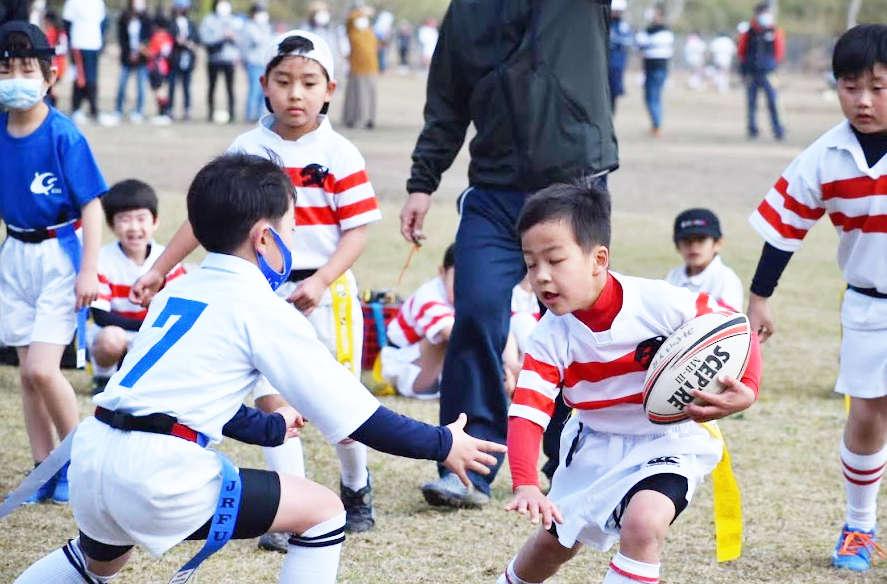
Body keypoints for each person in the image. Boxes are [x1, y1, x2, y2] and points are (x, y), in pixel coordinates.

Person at [11, 152, 506, 584]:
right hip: (158, 474)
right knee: (323, 513)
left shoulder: (181, 289)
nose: (293, 242)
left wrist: (271, 428)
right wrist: (444, 443)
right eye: (291, 230)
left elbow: (185, 396)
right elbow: (359, 418)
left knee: (96, 561)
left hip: (97, 459)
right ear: (265, 237)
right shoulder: (261, 307)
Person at [130, 29, 383, 541]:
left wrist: (324, 280)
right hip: (258, 290)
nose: (296, 93)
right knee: (273, 401)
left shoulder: (339, 152)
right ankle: (291, 506)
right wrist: (161, 268)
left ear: (330, 89)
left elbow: (358, 230)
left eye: (309, 83)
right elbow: (209, 216)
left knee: (340, 401)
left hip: (324, 292)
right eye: (284, 81)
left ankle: (356, 488)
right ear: (263, 83)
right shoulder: (247, 147)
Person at [401, 0, 617, 508]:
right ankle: (467, 467)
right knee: (474, 309)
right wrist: (421, 183)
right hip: (494, 190)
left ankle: (569, 459)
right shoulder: (467, 11)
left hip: (573, 182)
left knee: (575, 322)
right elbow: (447, 102)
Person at [495, 179, 761, 584]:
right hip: (593, 445)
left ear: (598, 259)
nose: (542, 277)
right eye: (531, 264)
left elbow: (734, 326)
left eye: (555, 260)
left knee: (644, 525)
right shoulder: (550, 335)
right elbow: (528, 412)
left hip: (667, 440)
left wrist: (749, 389)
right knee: (555, 545)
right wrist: (527, 483)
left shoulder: (657, 302)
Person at [746, 24, 887, 572]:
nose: (863, 100)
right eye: (850, 86)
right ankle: (859, 526)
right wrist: (760, 297)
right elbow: (783, 229)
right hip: (869, 305)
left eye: (878, 86)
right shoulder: (826, 155)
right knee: (868, 416)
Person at [0, 21, 105, 504]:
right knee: (25, 373)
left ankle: (82, 461)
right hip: (14, 254)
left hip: (59, 256)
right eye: (6, 69)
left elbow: (92, 206)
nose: (16, 78)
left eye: (27, 68)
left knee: (44, 369)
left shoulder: (64, 135)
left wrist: (89, 268)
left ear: (50, 75)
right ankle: (43, 470)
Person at [88, 179, 186, 392]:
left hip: (152, 334)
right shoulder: (102, 260)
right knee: (111, 339)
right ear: (112, 225)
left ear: (155, 222)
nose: (134, 228)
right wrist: (147, 329)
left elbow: (180, 308)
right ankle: (103, 379)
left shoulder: (168, 259)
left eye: (141, 219)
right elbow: (101, 316)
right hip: (118, 332)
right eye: (124, 220)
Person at [664, 208, 744, 312]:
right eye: (687, 241)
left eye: (701, 240)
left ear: (718, 243)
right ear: (677, 247)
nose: (693, 246)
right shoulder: (673, 277)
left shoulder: (726, 278)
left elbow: (729, 321)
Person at [737, 2, 785, 140]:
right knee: (752, 103)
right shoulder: (749, 32)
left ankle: (778, 130)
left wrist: (774, 66)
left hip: (768, 72)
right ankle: (752, 129)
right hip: (752, 72)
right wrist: (743, 70)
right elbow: (741, 51)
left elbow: (779, 51)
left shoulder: (774, 31)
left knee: (773, 102)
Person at [108, 0, 152, 125]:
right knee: (122, 84)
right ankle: (118, 109)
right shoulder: (124, 18)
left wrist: (141, 50)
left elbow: (148, 37)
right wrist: (129, 53)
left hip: (142, 58)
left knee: (140, 86)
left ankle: (139, 110)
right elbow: (122, 38)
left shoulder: (146, 19)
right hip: (127, 57)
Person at [62, 0, 105, 124]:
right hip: (79, 43)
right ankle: (77, 108)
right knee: (80, 78)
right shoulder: (73, 2)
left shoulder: (98, 2)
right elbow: (67, 23)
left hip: (94, 43)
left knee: (92, 79)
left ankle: (93, 108)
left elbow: (102, 22)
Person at [635, 4, 673, 136]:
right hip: (649, 69)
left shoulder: (663, 32)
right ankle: (655, 124)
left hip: (659, 69)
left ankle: (657, 125)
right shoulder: (649, 31)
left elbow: (641, 45)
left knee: (653, 98)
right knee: (650, 98)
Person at [199, 0, 239, 124]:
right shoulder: (208, 20)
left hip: (229, 60)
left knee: (230, 88)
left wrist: (233, 38)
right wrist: (222, 37)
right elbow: (205, 39)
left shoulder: (234, 20)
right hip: (214, 59)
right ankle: (210, 113)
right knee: (212, 87)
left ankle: (232, 113)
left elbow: (241, 40)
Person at [342, 5, 377, 130]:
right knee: (356, 95)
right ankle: (353, 118)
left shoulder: (369, 31)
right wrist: (361, 12)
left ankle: (369, 119)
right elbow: (349, 20)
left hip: (371, 68)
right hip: (357, 68)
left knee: (369, 95)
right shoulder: (352, 31)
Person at [241, 2, 271, 123]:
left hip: (265, 63)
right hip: (253, 63)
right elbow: (251, 42)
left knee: (263, 92)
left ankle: (261, 116)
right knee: (254, 89)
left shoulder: (267, 27)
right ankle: (250, 115)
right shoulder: (249, 27)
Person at [168, 0, 197, 120]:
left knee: (186, 87)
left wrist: (189, 43)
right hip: (175, 59)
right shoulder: (171, 24)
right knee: (172, 85)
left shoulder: (191, 24)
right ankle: (170, 109)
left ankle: (187, 110)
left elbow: (195, 39)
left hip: (187, 60)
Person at [144, 14, 174, 124]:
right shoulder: (168, 37)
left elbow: (152, 53)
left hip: (156, 67)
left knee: (159, 91)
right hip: (164, 67)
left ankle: (164, 112)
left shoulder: (157, 37)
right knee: (160, 90)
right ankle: (163, 112)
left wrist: (143, 50)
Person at [608, 0, 633, 112]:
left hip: (616, 63)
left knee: (613, 91)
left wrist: (614, 40)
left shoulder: (623, 26)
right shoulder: (606, 22)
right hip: (603, 63)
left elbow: (629, 42)